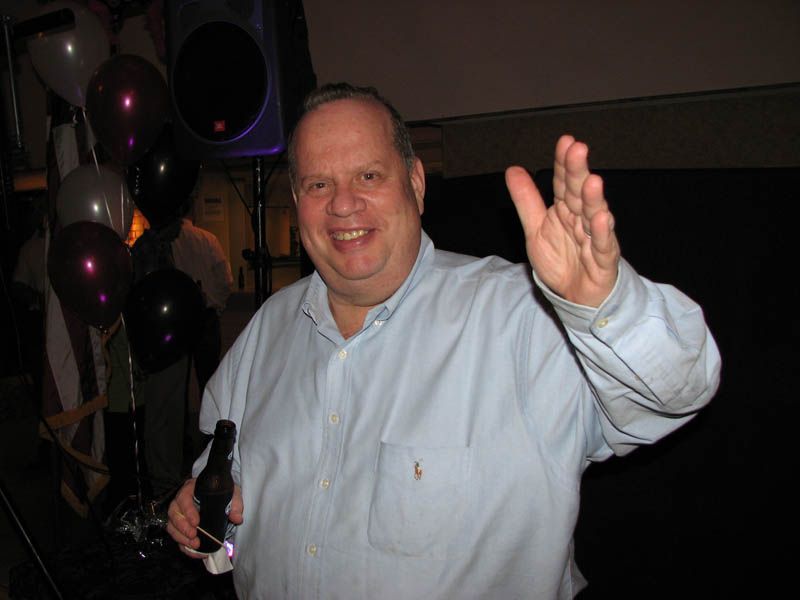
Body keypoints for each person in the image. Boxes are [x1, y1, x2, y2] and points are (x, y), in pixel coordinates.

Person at [167, 83, 721, 598]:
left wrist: (602, 307)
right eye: (318, 184)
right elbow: (228, 479)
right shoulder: (267, 330)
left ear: (415, 182)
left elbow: (674, 393)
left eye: (368, 176)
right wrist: (208, 514)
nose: (342, 204)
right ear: (297, 200)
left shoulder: (522, 318)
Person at [131, 199, 234, 497]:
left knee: (175, 397)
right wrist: (213, 305)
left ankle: (179, 459)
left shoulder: (151, 247)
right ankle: (209, 449)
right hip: (198, 322)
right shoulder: (205, 240)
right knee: (210, 388)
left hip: (175, 327)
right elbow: (224, 280)